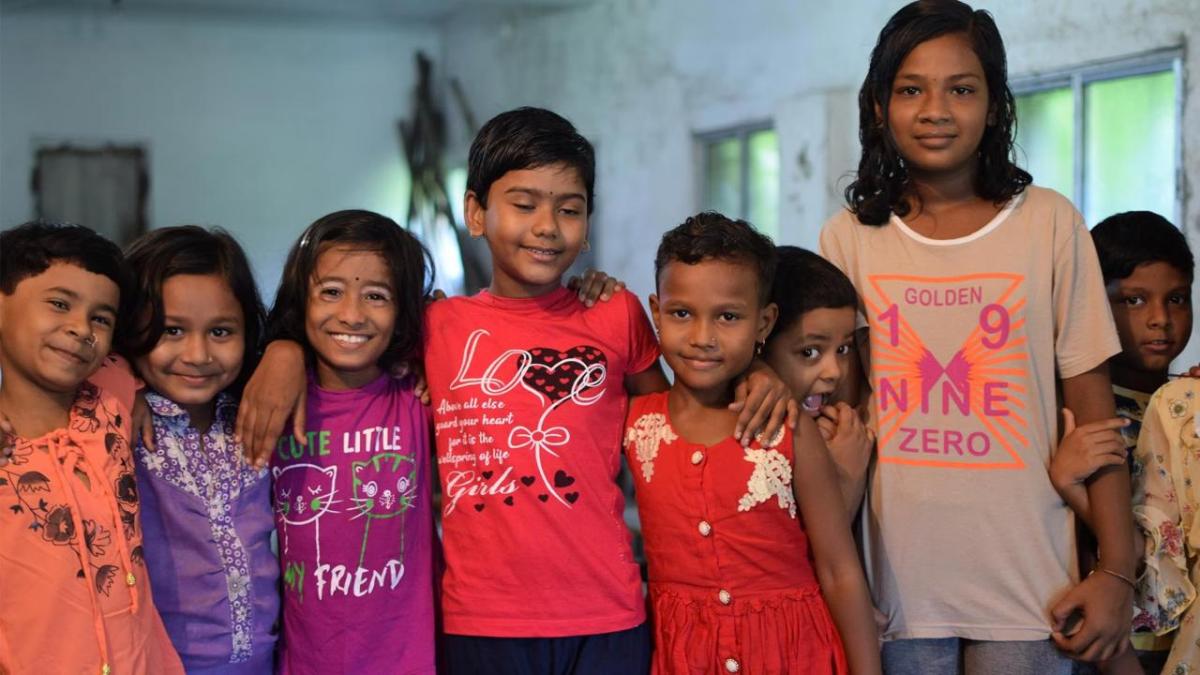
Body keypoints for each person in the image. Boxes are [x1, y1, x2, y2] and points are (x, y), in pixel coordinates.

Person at [234, 108, 793, 675]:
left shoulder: (615, 314)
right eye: (524, 204)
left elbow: (675, 413)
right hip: (481, 622)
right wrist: (284, 351)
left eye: (569, 209)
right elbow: (351, 339)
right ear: (475, 212)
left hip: (607, 615)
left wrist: (758, 370)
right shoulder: (437, 328)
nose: (547, 226)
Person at [819, 1, 1134, 670]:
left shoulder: (1049, 223)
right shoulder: (849, 238)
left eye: (961, 89)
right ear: (878, 106)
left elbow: (1095, 413)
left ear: (995, 106)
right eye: (911, 89)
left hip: (1032, 593)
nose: (936, 109)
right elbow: (837, 408)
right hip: (898, 597)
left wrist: (1115, 571)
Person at [626, 213, 880, 674]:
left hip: (795, 656)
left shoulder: (787, 427)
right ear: (656, 313)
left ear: (764, 322)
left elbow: (839, 571)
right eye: (682, 314)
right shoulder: (637, 423)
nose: (703, 338)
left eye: (728, 317)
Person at [0, 222, 183, 674]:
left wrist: (285, 356)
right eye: (59, 304)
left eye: (101, 318)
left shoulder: (112, 390)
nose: (82, 329)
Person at [266, 210, 437, 674]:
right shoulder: (271, 401)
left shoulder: (418, 398)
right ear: (301, 300)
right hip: (303, 662)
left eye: (376, 296)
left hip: (409, 662)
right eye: (331, 292)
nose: (352, 315)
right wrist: (282, 351)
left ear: (403, 310)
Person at [124, 226, 279, 673]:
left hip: (264, 661)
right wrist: (119, 380)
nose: (197, 354)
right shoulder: (119, 423)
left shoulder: (254, 415)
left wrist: (284, 351)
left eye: (221, 331)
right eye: (171, 330)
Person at [1049, 211, 1194, 674]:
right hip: (1105, 641)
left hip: (1181, 643)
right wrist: (1071, 488)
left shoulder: (1186, 408)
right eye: (1133, 300)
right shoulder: (1078, 415)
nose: (1160, 320)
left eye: (1176, 299)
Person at [762, 245, 874, 517]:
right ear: (760, 341)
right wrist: (847, 477)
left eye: (843, 349)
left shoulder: (833, 433)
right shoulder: (752, 441)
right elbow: (801, 556)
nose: (834, 371)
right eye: (809, 352)